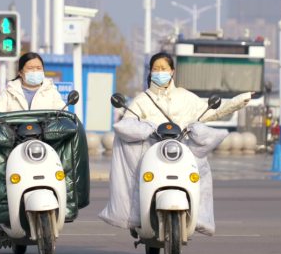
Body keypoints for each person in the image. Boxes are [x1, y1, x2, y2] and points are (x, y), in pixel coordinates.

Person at [99, 52, 252, 236]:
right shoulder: (142, 100)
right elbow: (128, 123)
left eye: (163, 68)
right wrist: (144, 129)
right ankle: (136, 216)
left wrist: (238, 101)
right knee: (137, 177)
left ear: (172, 71)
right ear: (150, 72)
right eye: (156, 69)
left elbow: (211, 112)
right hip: (152, 154)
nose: (159, 72)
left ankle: (199, 217)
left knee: (200, 171)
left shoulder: (185, 97)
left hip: (181, 152)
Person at [0, 52, 66, 254]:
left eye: (38, 68)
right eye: (30, 68)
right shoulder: (9, 93)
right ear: (20, 72)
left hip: (43, 150)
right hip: (12, 149)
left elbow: (63, 114)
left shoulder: (51, 92)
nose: (35, 72)